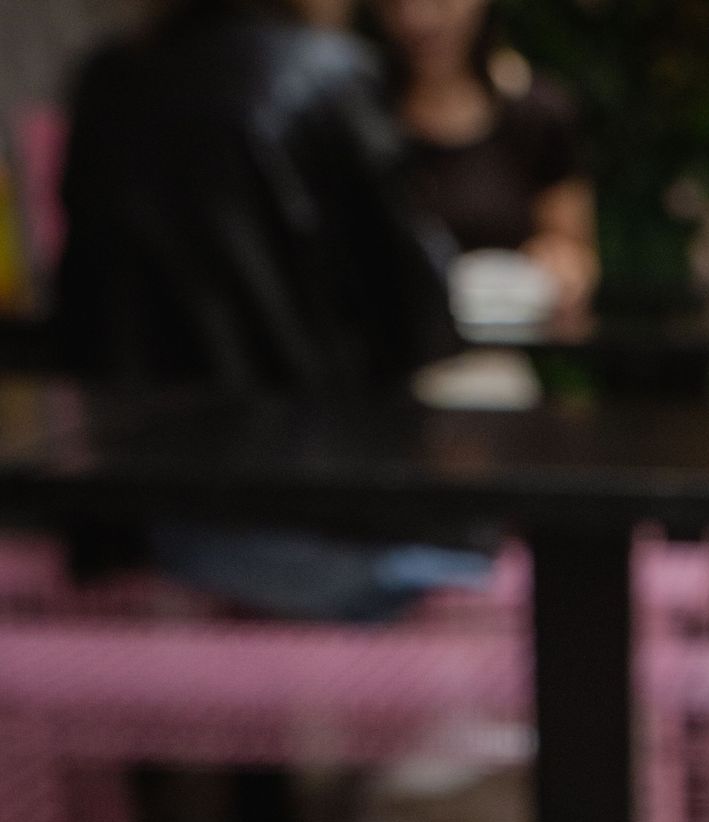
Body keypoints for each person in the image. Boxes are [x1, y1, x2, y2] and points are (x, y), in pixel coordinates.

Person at [56, 0, 479, 623]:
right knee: (485, 565)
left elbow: (77, 300)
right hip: (312, 523)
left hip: (131, 530)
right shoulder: (327, 72)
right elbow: (420, 316)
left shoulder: (109, 77)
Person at [374, 0, 596, 323]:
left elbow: (575, 251)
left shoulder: (537, 115)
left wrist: (563, 269)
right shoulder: (357, 112)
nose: (417, 19)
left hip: (496, 353)